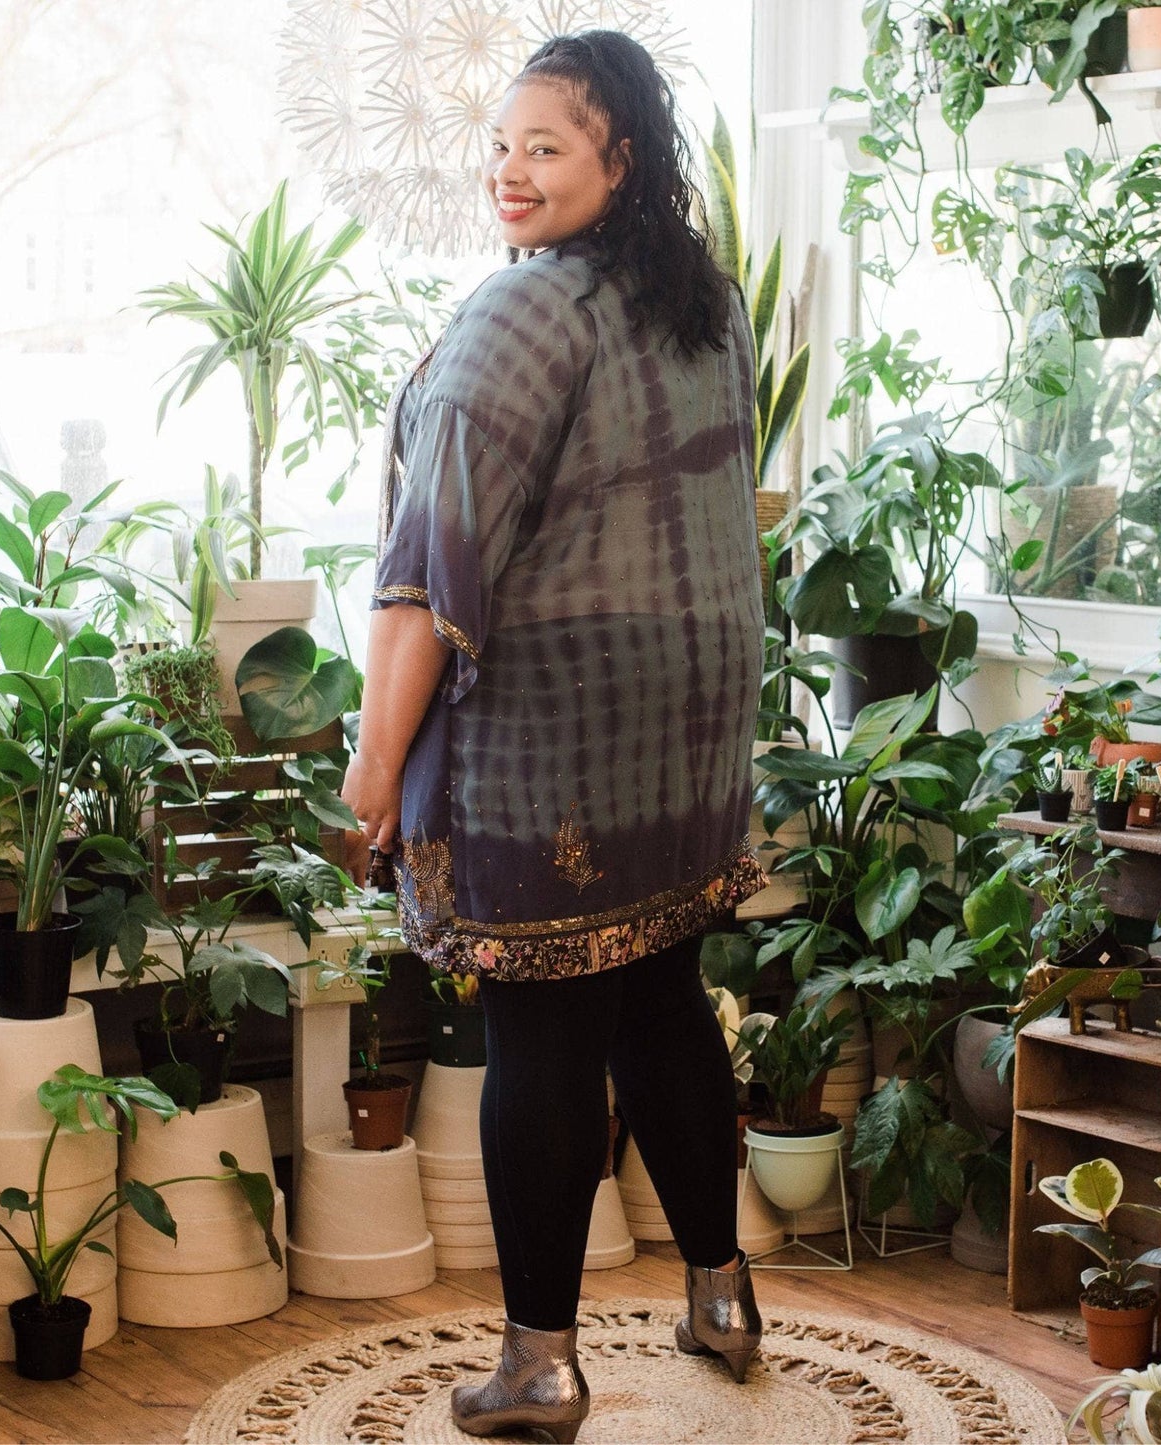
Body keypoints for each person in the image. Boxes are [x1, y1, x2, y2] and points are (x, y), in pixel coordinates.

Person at [342, 28, 767, 1443]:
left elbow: (433, 571)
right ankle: (718, 1294)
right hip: (687, 735)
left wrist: (371, 762)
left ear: (619, 160)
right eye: (503, 144)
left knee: (539, 1031)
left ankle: (538, 1364)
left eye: (548, 147)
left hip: (553, 747)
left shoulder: (521, 317)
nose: (509, 172)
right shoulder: (700, 303)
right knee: (656, 994)